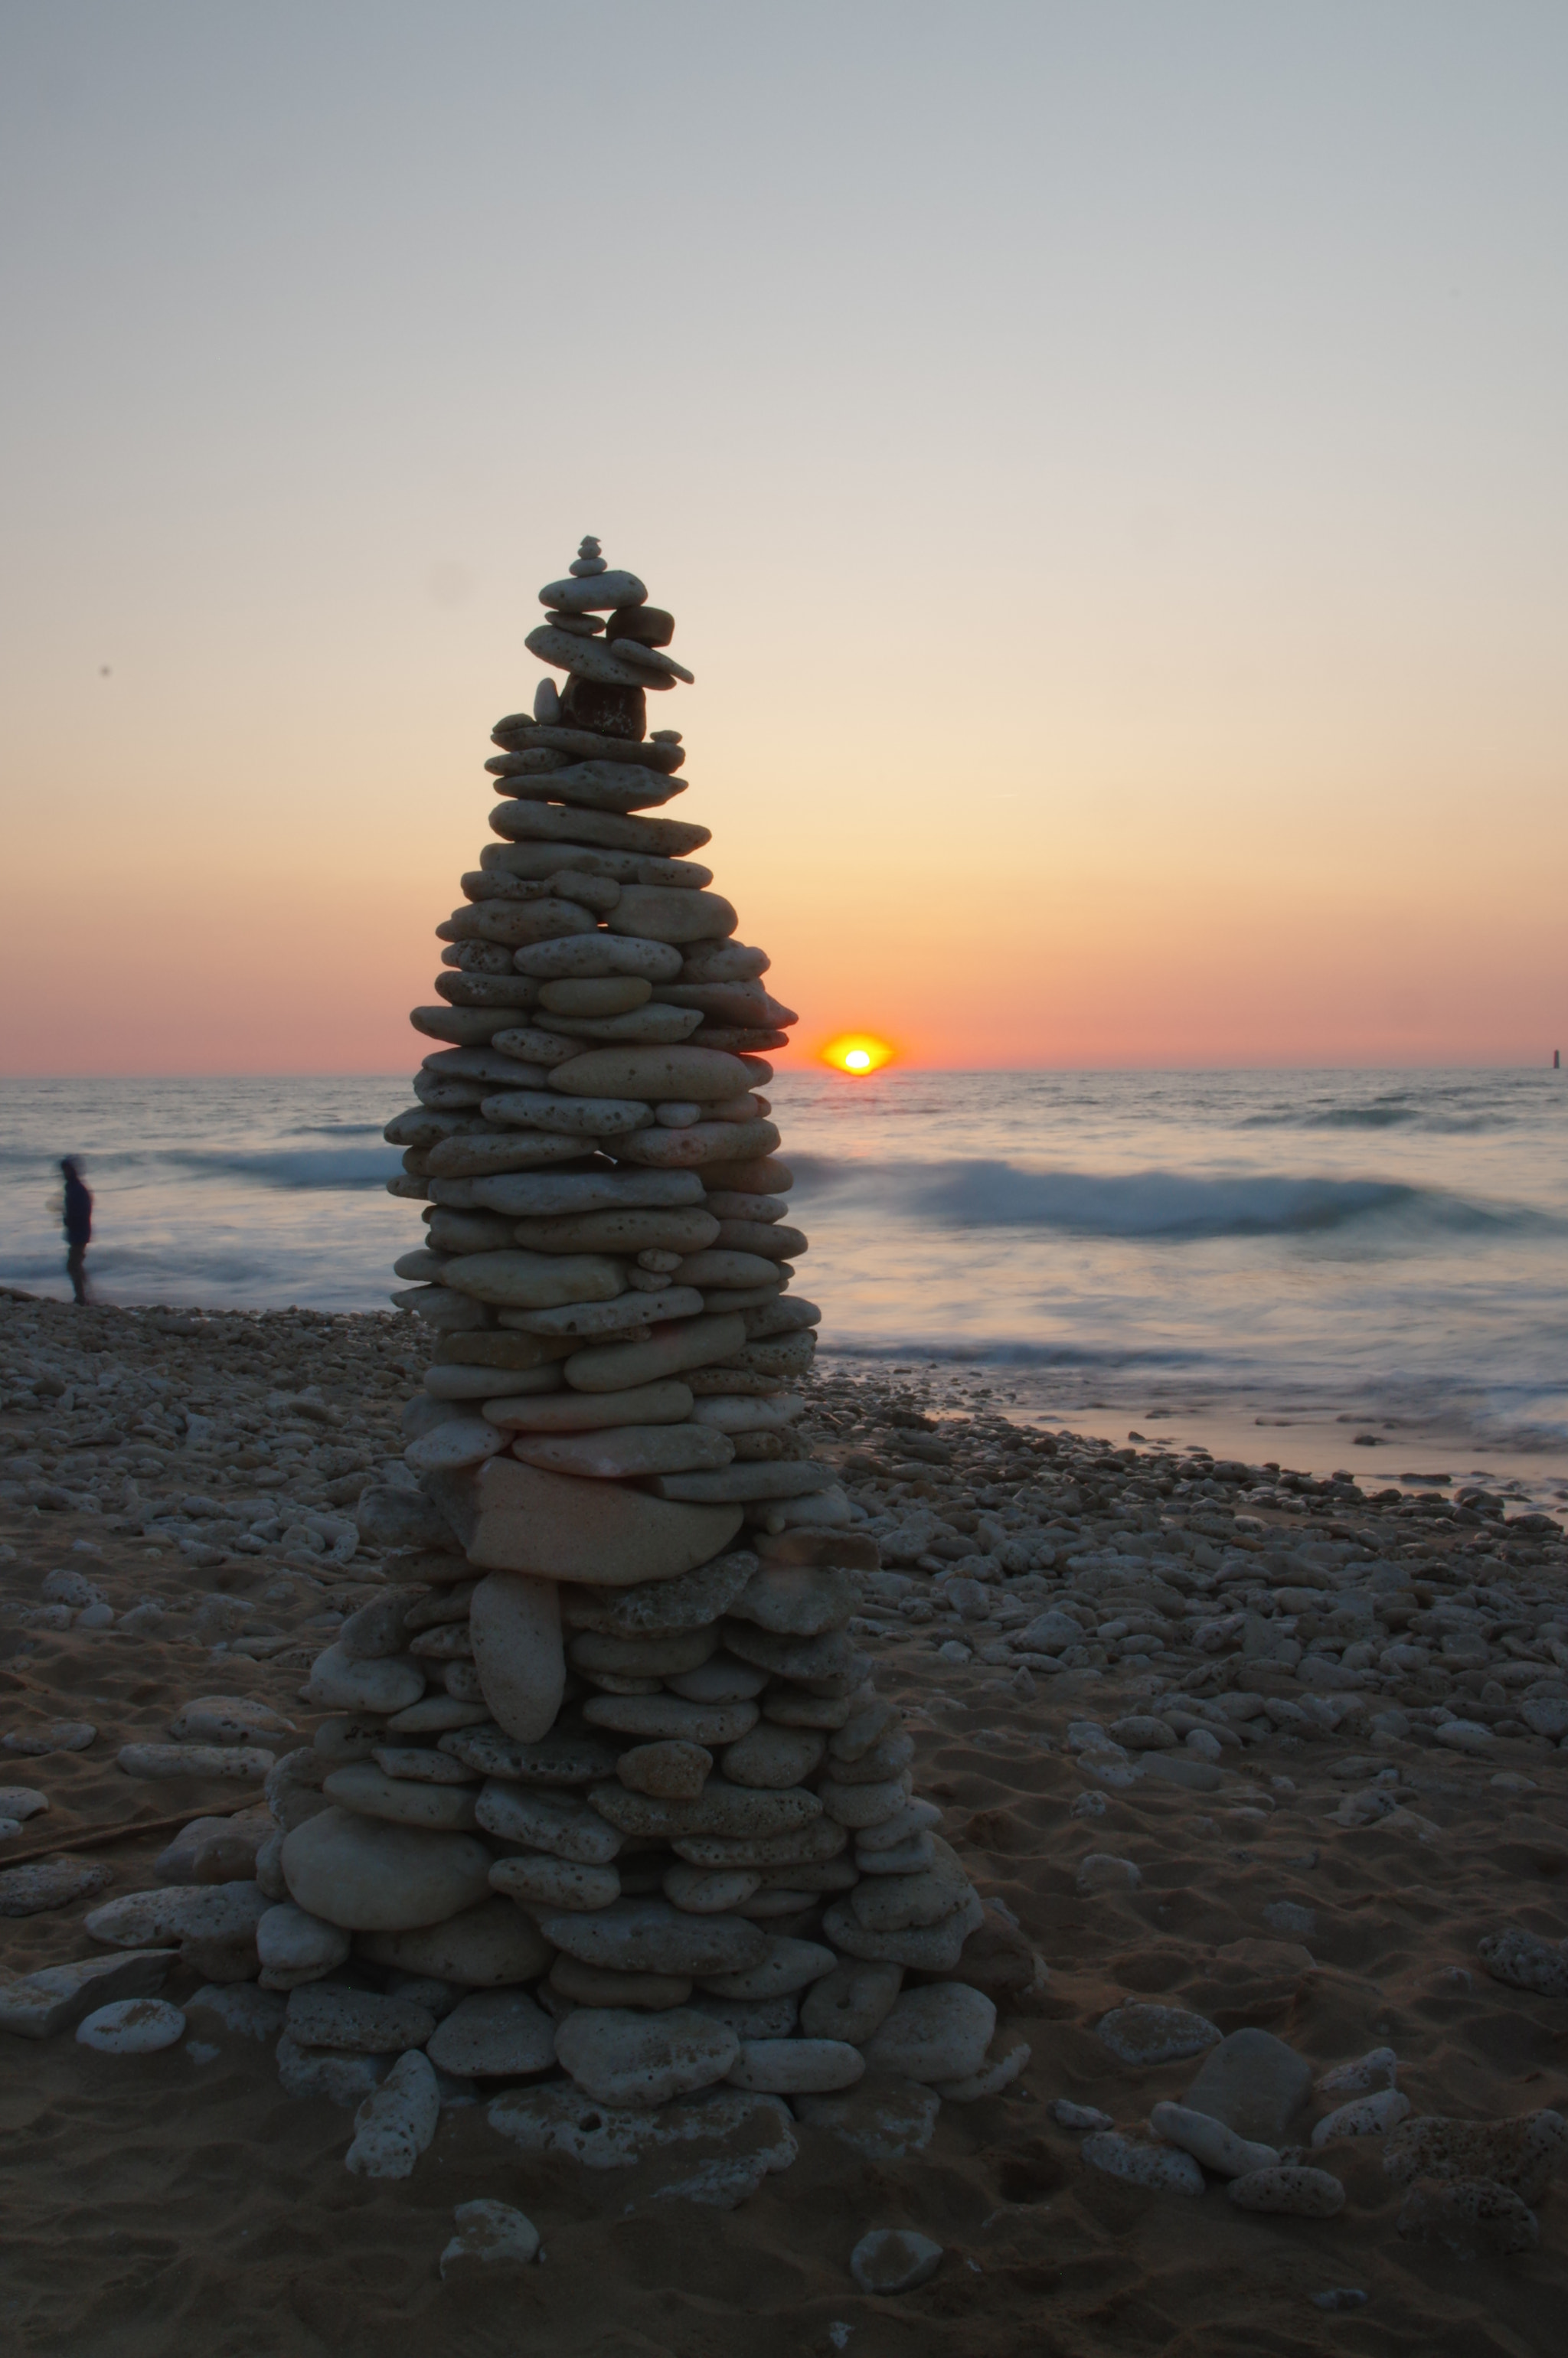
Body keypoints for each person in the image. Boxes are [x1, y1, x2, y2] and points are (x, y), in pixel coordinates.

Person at [60, 1158, 93, 1304]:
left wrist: (70, 1220)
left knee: (72, 1265)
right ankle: (86, 1293)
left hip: (80, 1232)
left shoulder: (77, 1188)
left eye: (65, 1171)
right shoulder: (73, 1187)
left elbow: (83, 1210)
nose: (63, 1174)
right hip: (79, 1231)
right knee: (76, 1264)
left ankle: (81, 1297)